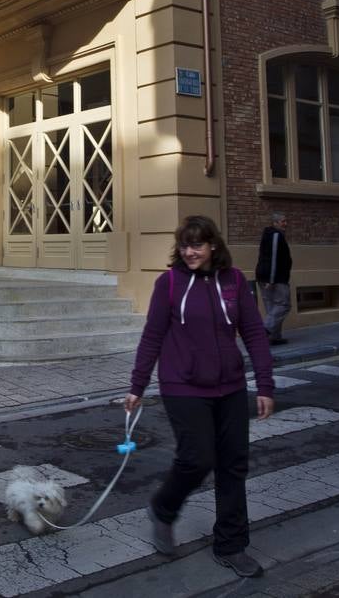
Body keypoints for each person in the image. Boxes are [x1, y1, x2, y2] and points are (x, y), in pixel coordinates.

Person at [125, 214, 275, 578]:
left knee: (233, 466)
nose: (190, 251)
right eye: (184, 245)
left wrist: (265, 385)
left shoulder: (235, 281)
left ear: (212, 246)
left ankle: (231, 546)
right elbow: (153, 336)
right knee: (197, 458)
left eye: (197, 244)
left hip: (231, 388)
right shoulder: (170, 284)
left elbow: (254, 333)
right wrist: (137, 385)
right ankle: (164, 508)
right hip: (183, 386)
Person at [254, 211, 292, 346]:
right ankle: (264, 331)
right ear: (275, 223)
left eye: (286, 221)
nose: (286, 224)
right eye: (283, 221)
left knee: (271, 306)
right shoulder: (276, 235)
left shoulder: (268, 234)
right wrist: (271, 279)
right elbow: (274, 257)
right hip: (275, 277)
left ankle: (274, 337)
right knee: (283, 305)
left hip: (264, 275)